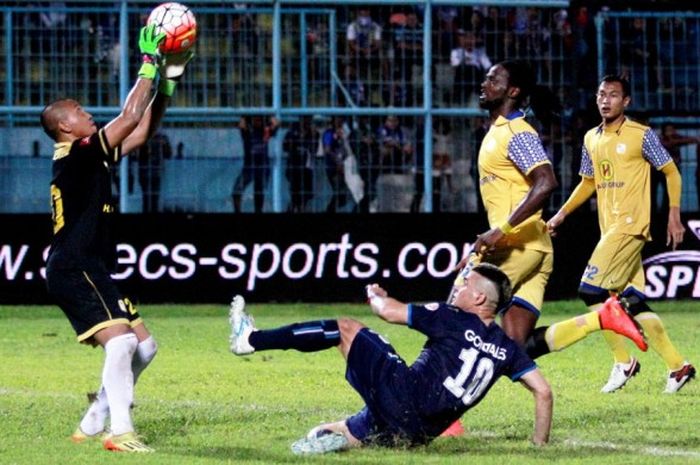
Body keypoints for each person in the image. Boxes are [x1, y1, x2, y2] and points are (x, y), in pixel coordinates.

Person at [40, 25, 192, 452]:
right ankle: (121, 432)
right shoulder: (76, 154)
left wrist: (167, 84)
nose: (86, 112)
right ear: (63, 127)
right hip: (74, 265)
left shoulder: (87, 156)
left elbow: (140, 132)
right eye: (78, 110)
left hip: (89, 264)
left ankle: (94, 420)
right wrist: (149, 62)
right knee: (122, 341)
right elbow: (127, 119)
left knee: (145, 347)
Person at [228, 263, 553, 454]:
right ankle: (341, 436)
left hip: (404, 397)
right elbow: (544, 392)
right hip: (419, 434)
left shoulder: (452, 317)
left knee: (345, 329)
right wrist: (539, 445)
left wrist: (376, 296)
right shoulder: (507, 348)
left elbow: (389, 312)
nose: (459, 288)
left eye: (465, 284)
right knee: (333, 431)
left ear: (480, 298)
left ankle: (250, 339)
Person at [545, 75, 695, 394]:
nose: (605, 100)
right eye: (601, 94)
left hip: (630, 226)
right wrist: (560, 214)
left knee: (590, 290)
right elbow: (588, 182)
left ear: (626, 102)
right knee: (632, 302)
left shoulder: (642, 135)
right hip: (609, 229)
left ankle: (623, 361)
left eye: (613, 95)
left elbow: (671, 171)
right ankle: (677, 366)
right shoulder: (591, 139)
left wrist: (673, 215)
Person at [231, 115, 279, 213]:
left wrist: (268, 116)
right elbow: (241, 124)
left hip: (262, 166)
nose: (258, 121)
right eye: (255, 119)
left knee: (259, 193)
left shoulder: (265, 131)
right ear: (251, 120)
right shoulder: (247, 131)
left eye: (260, 119)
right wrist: (247, 115)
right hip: (249, 166)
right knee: (236, 191)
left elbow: (276, 123)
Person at [133, 130, 172, 213]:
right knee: (148, 197)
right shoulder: (143, 137)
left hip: (153, 172)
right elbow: (137, 155)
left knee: (153, 198)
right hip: (146, 172)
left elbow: (168, 154)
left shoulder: (159, 138)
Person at [283, 116, 316, 213]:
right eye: (305, 119)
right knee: (295, 196)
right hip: (294, 168)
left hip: (307, 169)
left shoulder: (312, 133)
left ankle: (300, 208)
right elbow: (285, 147)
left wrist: (314, 137)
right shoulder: (292, 132)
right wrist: (295, 141)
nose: (307, 122)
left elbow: (315, 150)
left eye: (309, 120)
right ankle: (292, 209)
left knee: (305, 196)